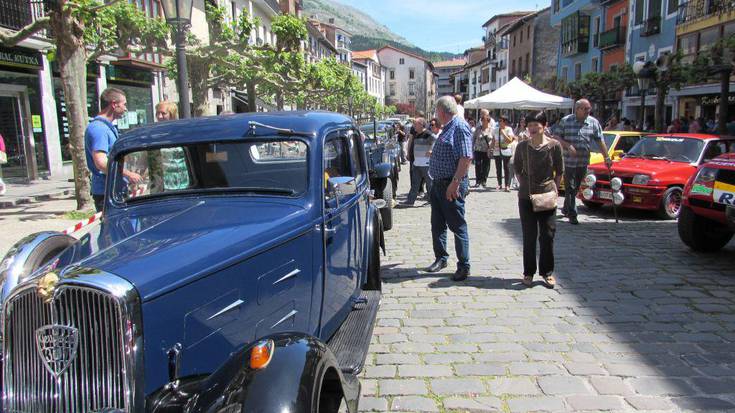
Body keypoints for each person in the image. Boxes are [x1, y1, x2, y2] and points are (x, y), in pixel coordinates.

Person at [514, 111, 564, 289]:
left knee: (548, 235)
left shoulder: (554, 146)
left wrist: (554, 188)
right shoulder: (522, 147)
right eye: (530, 125)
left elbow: (559, 170)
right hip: (527, 197)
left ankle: (547, 272)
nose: (533, 129)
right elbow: (518, 169)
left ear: (544, 125)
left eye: (536, 125)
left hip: (547, 196)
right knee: (529, 236)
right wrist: (526, 186)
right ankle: (528, 272)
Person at [425, 96, 472, 281]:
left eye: (436, 111)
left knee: (457, 226)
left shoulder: (459, 127)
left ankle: (464, 265)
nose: (435, 114)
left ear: (442, 111)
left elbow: (465, 158)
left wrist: (455, 183)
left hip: (450, 185)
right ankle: (441, 258)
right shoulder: (448, 127)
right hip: (438, 184)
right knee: (437, 225)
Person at [551, 98, 612, 225]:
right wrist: (567, 145)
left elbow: (600, 141)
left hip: (583, 161)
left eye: (588, 109)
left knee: (576, 187)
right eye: (584, 109)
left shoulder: (593, 123)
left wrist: (606, 157)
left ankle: (567, 207)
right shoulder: (566, 121)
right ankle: (573, 214)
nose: (587, 111)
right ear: (577, 109)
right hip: (568, 160)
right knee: (570, 186)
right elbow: (556, 136)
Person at [85, 87, 141, 211]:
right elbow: (101, 163)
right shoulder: (99, 129)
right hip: (107, 192)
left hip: (115, 188)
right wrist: (128, 174)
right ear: (114, 104)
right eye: (124, 104)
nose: (126, 108)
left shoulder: (107, 127)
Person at [403, 118, 436, 206]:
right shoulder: (417, 134)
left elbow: (436, 143)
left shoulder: (428, 134)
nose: (414, 127)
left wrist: (432, 151)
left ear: (421, 124)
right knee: (415, 183)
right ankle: (410, 201)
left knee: (429, 183)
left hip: (426, 163)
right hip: (417, 163)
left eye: (416, 124)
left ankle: (431, 201)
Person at [491, 116, 514, 192]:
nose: (499, 122)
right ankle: (499, 184)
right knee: (498, 168)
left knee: (506, 168)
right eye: (498, 121)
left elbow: (510, 140)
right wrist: (490, 148)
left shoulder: (509, 129)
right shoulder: (495, 130)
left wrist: (503, 133)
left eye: (501, 121)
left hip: (506, 150)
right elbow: (494, 140)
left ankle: (507, 185)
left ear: (505, 122)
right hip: (497, 150)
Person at [472, 109, 494, 188]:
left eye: (484, 120)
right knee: (478, 165)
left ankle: (484, 180)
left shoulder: (491, 129)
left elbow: (494, 140)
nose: (482, 121)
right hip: (478, 149)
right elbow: (473, 138)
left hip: (487, 150)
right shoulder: (478, 129)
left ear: (488, 121)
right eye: (482, 120)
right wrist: (472, 148)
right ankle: (478, 181)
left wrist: (492, 148)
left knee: (486, 166)